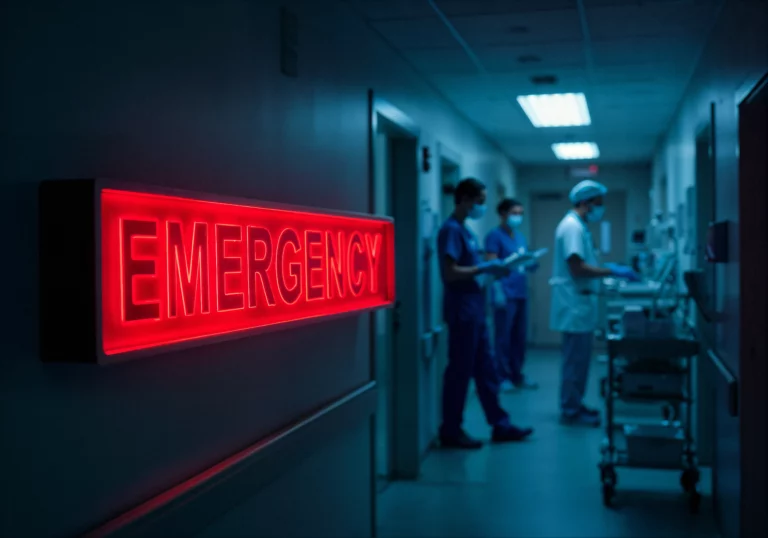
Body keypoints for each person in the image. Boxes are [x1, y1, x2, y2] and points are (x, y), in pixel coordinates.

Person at [437, 177, 534, 448]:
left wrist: (494, 268)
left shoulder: (467, 231)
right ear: (465, 199)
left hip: (476, 311)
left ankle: (500, 425)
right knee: (460, 372)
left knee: (486, 370)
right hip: (462, 311)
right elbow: (449, 272)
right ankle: (451, 430)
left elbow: (473, 265)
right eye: (479, 201)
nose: (482, 207)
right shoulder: (451, 230)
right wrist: (484, 269)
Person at [550, 180, 640, 427]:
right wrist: (609, 272)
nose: (601, 209)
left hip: (580, 304)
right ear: (585, 203)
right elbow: (577, 268)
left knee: (578, 361)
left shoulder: (579, 226)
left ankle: (575, 404)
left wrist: (606, 270)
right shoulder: (571, 227)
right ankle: (570, 410)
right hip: (574, 305)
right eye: (598, 203)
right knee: (574, 362)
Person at [485, 199, 539, 392]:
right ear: (503, 214)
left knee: (519, 338)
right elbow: (492, 265)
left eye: (521, 213)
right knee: (503, 338)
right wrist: (507, 264)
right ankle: (501, 377)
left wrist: (531, 261)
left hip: (520, 292)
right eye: (514, 213)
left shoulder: (520, 237)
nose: (518, 217)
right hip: (504, 294)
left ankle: (517, 375)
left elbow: (523, 262)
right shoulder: (494, 236)